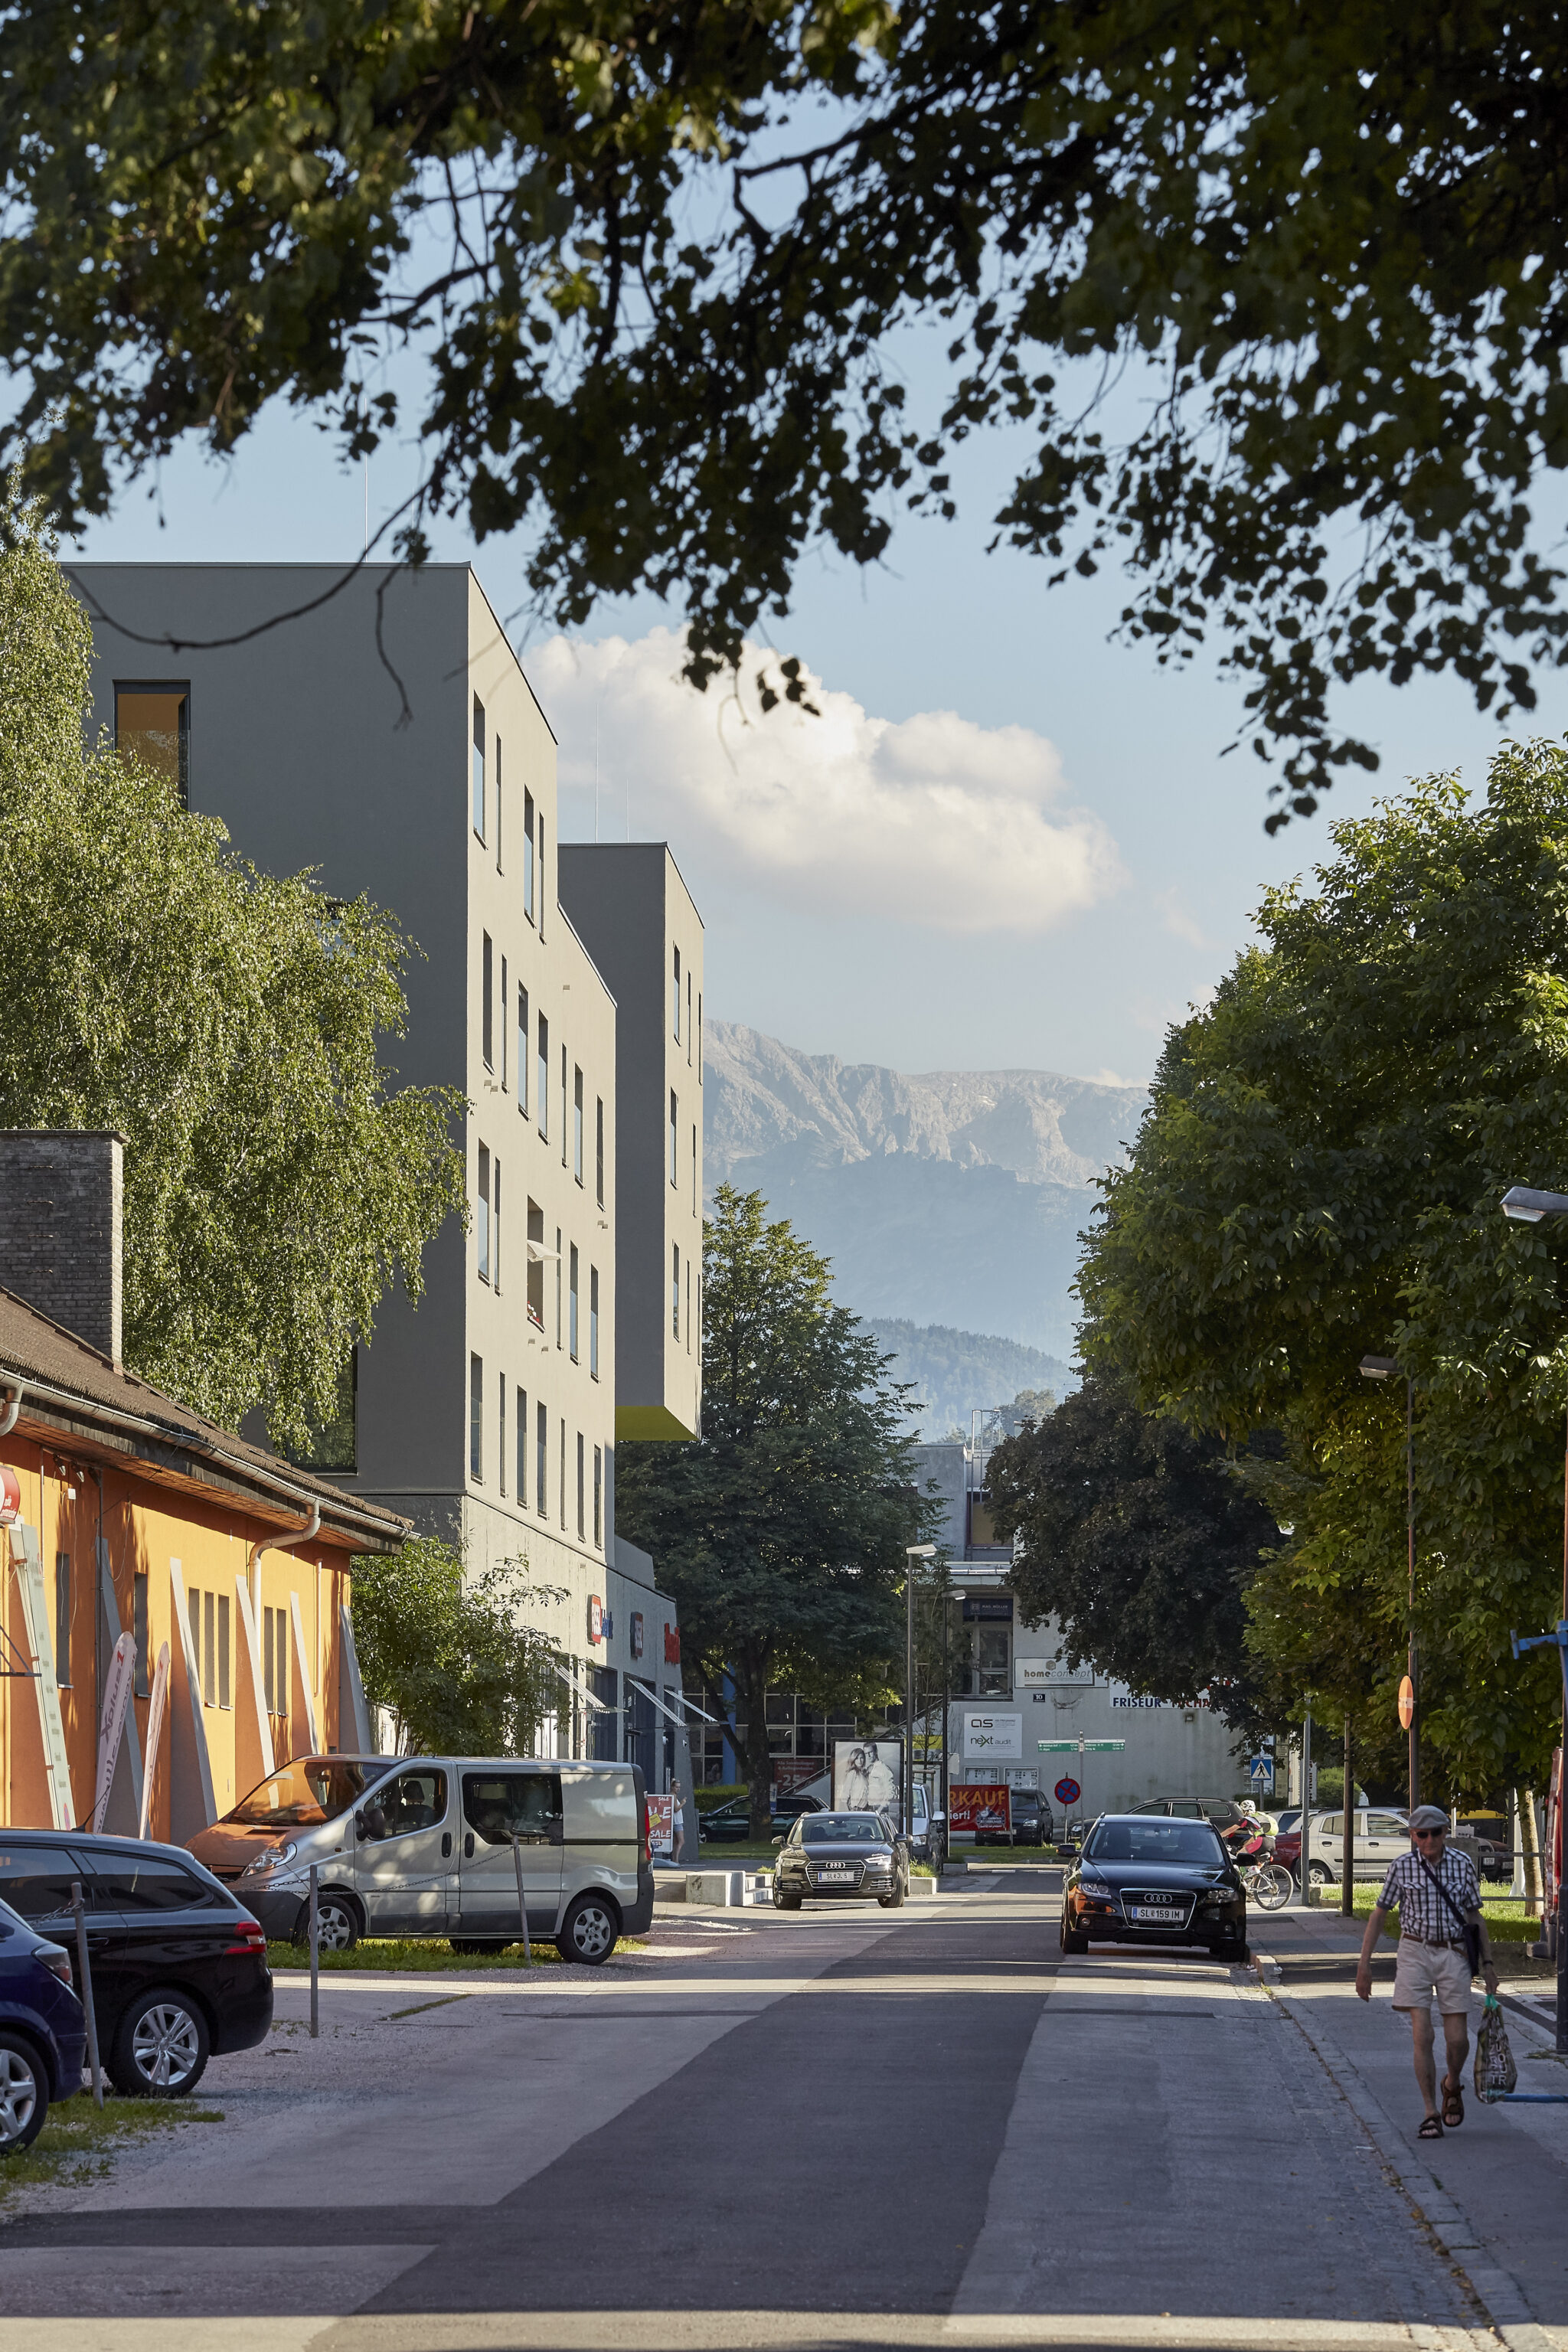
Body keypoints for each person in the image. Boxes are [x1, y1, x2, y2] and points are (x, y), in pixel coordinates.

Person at [1355, 1803, 1498, 2138]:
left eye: (1437, 1832)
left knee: (1457, 2039)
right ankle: (1430, 2111)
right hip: (1414, 1951)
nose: (1431, 1839)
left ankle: (1452, 2082)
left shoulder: (1462, 1865)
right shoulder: (1402, 1867)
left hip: (1453, 1952)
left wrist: (1489, 1965)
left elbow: (1475, 1918)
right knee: (1423, 2034)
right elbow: (1379, 1915)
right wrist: (1364, 1966)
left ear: (1446, 1833)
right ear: (1413, 1836)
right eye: (1423, 1834)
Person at [671, 1778, 687, 1865]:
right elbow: (676, 1809)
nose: (678, 1789)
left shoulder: (673, 1795)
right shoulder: (673, 1796)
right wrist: (682, 1803)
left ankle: (675, 1859)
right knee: (681, 1841)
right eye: (676, 1787)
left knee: (676, 1842)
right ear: (673, 1787)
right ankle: (676, 1860)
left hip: (676, 1821)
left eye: (679, 1787)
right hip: (677, 1822)